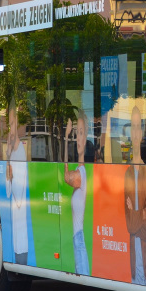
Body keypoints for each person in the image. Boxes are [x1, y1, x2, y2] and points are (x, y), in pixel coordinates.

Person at [124, 106, 146, 286]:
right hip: (133, 264)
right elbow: (130, 226)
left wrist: (135, 214)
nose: (136, 133)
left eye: (139, 127)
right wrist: (140, 215)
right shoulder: (127, 174)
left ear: (142, 131)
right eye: (133, 127)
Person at [64, 114, 91, 275]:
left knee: (82, 272)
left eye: (81, 133)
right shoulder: (81, 170)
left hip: (79, 238)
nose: (77, 139)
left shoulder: (81, 173)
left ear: (86, 136)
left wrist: (66, 137)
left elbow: (66, 176)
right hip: (77, 238)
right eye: (76, 134)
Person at [5, 103, 30, 265]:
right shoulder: (12, 152)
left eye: (13, 124)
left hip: (19, 217)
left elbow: (18, 196)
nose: (10, 129)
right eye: (9, 124)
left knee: (20, 246)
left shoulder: (20, 151)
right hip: (15, 216)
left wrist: (11, 176)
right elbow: (8, 192)